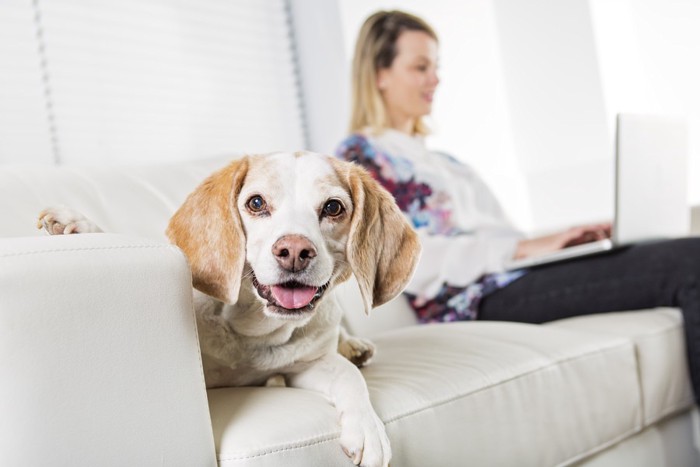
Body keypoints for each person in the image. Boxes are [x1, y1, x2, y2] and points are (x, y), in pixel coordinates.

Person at [335, 9, 700, 402]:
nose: (435, 79)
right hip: (475, 301)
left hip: (513, 276)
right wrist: (522, 249)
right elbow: (400, 260)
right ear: (379, 74)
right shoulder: (358, 160)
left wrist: (559, 242)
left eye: (436, 67)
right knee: (689, 261)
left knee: (676, 252)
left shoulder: (446, 163)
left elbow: (503, 237)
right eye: (421, 67)